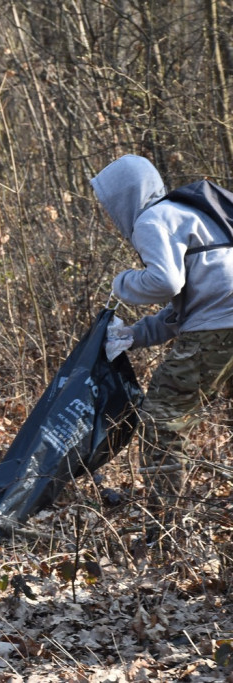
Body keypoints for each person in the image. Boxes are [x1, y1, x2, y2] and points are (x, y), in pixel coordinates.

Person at [92, 154, 233, 516]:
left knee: (161, 418)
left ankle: (166, 523)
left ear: (123, 198)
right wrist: (134, 336)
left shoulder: (152, 219)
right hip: (222, 321)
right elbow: (189, 309)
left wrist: (121, 284)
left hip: (221, 327)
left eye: (107, 205)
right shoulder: (191, 213)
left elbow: (166, 282)